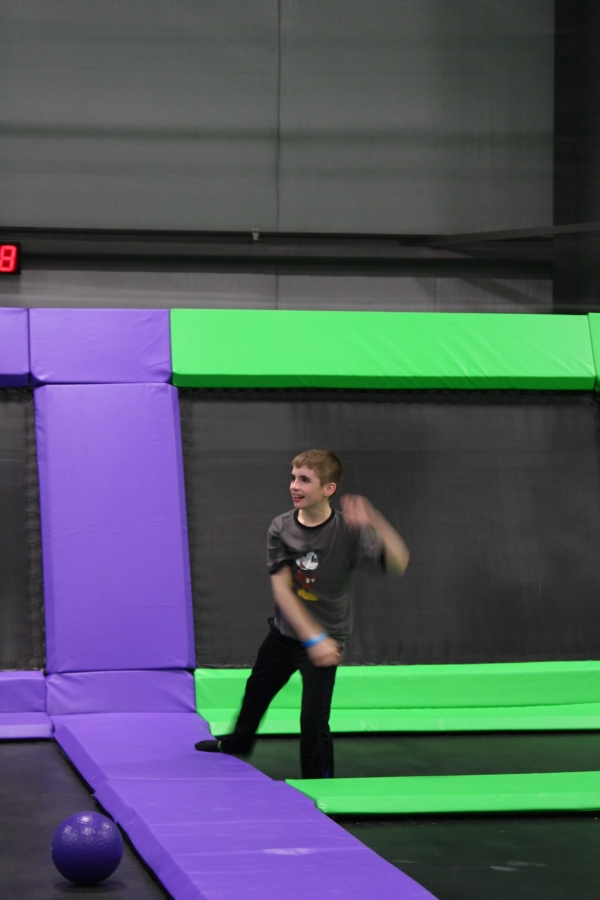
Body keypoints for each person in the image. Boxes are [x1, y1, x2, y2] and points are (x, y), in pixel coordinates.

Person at [195, 449, 410, 778]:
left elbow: (399, 563)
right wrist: (314, 637)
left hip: (327, 643)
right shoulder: (281, 527)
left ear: (328, 489)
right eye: (293, 478)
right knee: (255, 694)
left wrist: (375, 520)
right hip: (285, 635)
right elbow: (282, 590)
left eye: (305, 480)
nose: (294, 486)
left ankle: (321, 784)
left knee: (313, 721)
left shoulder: (349, 531)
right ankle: (237, 744)